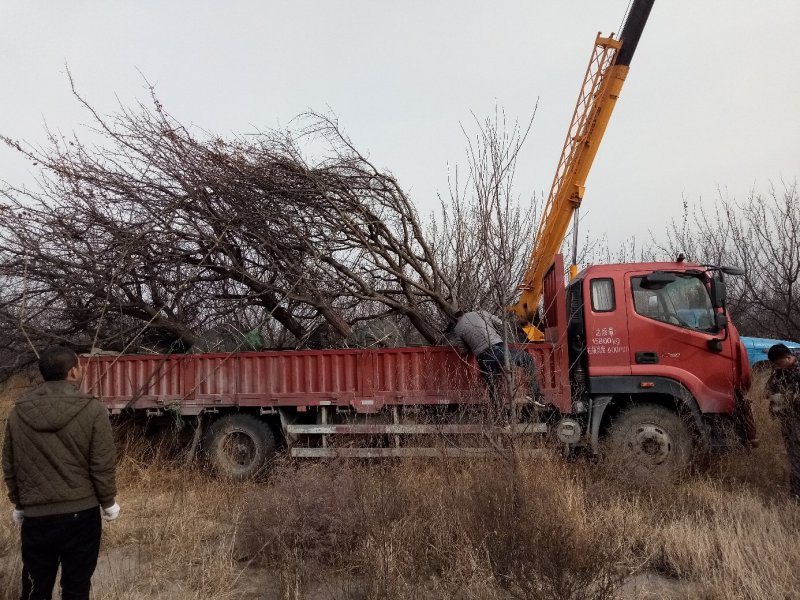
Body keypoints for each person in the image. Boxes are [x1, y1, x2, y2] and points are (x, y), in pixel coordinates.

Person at [2, 346, 120, 600]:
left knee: (35, 589)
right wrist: (108, 502)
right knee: (76, 587)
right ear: (74, 372)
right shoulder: (93, 409)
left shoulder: (18, 412)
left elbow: (10, 463)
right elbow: (101, 463)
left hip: (36, 516)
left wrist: (19, 504)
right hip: (82, 516)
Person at [446, 310, 539, 407]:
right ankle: (535, 395)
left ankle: (497, 410)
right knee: (527, 358)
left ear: (456, 319)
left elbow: (463, 350)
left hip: (483, 357)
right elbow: (501, 323)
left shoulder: (457, 328)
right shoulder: (482, 313)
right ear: (466, 312)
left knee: (492, 386)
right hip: (498, 348)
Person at [766, 343, 800, 499]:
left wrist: (786, 398)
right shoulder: (779, 371)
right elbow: (770, 389)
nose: (776, 367)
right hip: (788, 421)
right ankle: (796, 494)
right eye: (774, 364)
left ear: (789, 357)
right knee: (794, 457)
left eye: (778, 363)